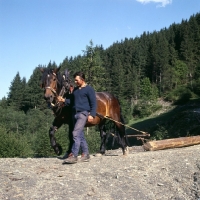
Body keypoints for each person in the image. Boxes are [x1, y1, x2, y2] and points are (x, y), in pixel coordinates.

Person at [57, 71, 97, 164]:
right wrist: (63, 100)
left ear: (82, 80)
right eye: (75, 80)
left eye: (76, 80)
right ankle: (86, 154)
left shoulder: (89, 89)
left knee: (75, 133)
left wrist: (92, 115)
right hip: (74, 114)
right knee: (80, 135)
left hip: (83, 114)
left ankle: (74, 155)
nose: (75, 82)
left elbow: (93, 103)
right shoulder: (75, 90)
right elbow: (71, 101)